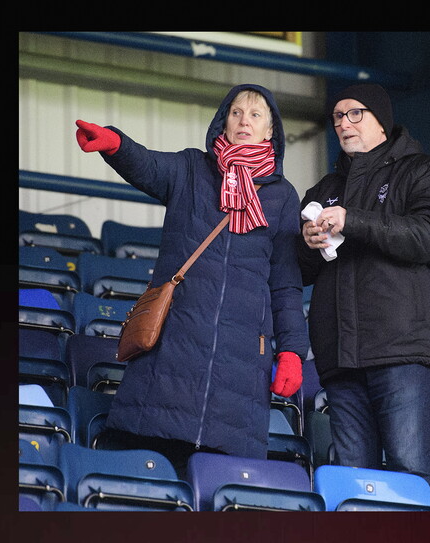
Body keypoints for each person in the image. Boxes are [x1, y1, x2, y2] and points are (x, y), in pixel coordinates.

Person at [74, 84, 309, 474]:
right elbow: (147, 165)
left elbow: (285, 284)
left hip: (241, 366)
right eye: (236, 113)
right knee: (151, 482)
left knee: (216, 496)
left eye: (255, 115)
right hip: (172, 348)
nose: (244, 121)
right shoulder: (191, 169)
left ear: (271, 131)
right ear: (223, 120)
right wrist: (115, 143)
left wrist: (291, 352)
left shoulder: (283, 197)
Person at [298, 83, 430, 484]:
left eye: (355, 113)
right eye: (337, 116)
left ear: (381, 122)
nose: (343, 123)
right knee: (354, 484)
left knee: (409, 476)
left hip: (400, 353)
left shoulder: (420, 170)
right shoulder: (323, 191)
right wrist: (308, 244)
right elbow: (295, 271)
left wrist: (354, 220)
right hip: (340, 360)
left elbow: (429, 236)